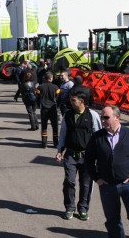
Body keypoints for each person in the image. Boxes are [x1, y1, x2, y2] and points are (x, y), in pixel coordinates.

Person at [85, 105, 129, 238]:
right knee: (112, 220)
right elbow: (88, 160)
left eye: (106, 117)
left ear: (117, 117)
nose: (103, 120)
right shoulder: (97, 137)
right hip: (107, 186)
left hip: (128, 185)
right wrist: (97, 178)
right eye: (102, 117)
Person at [56, 92, 101, 221]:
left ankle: (83, 209)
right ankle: (70, 207)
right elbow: (63, 132)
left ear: (82, 101)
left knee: (86, 184)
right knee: (69, 182)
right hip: (70, 154)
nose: (71, 103)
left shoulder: (92, 115)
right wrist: (60, 150)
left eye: (73, 100)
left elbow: (97, 135)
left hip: (87, 156)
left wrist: (98, 154)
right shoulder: (68, 115)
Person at [36, 71, 60, 148]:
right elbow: (58, 97)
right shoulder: (56, 87)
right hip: (53, 108)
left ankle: (44, 143)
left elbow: (37, 97)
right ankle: (56, 143)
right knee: (55, 126)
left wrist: (38, 105)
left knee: (44, 126)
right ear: (51, 78)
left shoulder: (39, 87)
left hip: (44, 109)